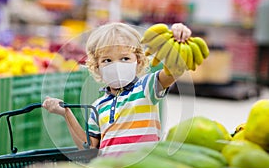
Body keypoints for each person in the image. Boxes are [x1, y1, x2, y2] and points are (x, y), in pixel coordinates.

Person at [42, 22, 192, 157]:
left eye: (125, 58)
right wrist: (66, 113)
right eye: (107, 60)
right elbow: (89, 148)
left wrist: (178, 39)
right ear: (97, 67)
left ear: (138, 61)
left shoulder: (147, 87)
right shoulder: (98, 107)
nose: (117, 65)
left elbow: (175, 70)